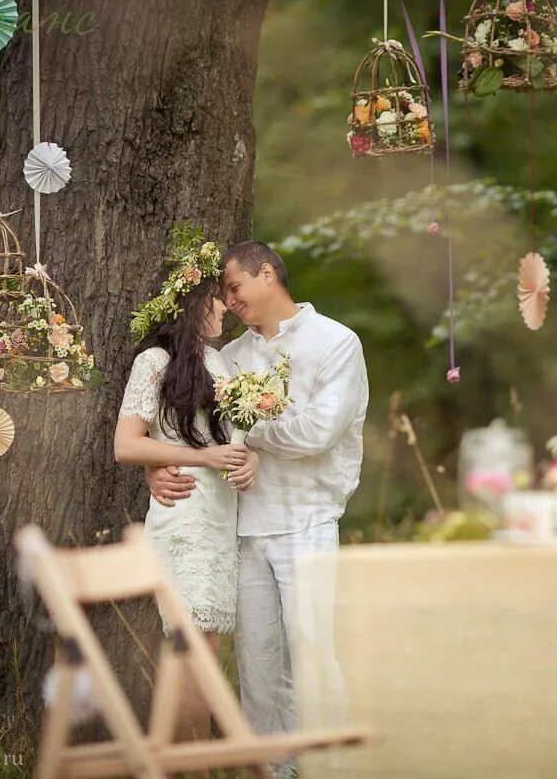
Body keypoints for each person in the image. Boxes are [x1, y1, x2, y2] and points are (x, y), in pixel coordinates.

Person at [147, 240, 367, 777]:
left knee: (311, 650)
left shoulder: (336, 342)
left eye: (235, 287)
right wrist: (163, 463)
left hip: (307, 519)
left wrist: (247, 434)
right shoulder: (231, 358)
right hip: (241, 527)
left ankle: (331, 765)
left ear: (267, 273)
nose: (230, 300)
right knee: (258, 665)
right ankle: (274, 769)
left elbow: (319, 430)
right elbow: (194, 428)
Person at [114, 227, 259, 739]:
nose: (226, 309)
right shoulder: (154, 362)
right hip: (185, 517)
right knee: (193, 654)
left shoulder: (220, 364)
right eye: (220, 300)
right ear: (199, 304)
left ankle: (182, 760)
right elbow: (128, 445)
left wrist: (246, 462)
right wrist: (195, 458)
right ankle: (189, 765)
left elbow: (231, 443)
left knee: (205, 654)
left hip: (220, 521)